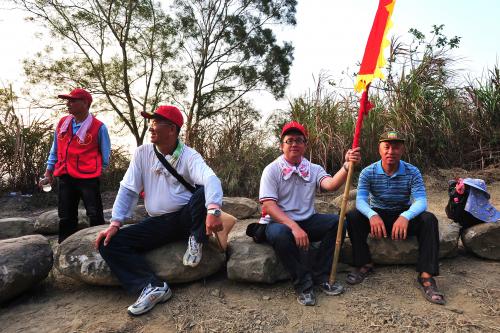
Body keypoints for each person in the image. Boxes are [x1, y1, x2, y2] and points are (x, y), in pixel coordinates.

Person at [95, 105, 235, 316]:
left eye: (155, 122)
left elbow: (211, 179)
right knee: (109, 244)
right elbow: (128, 189)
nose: (151, 127)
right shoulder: (142, 153)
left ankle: (196, 238)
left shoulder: (189, 155)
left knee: (203, 190)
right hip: (160, 223)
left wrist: (213, 210)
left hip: (187, 218)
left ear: (171, 129)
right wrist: (115, 223)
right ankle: (152, 286)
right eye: (150, 122)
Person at [259, 121, 361, 306]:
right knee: (280, 235)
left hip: (307, 219)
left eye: (299, 140)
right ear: (282, 145)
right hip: (279, 222)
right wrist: (294, 227)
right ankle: (303, 285)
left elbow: (330, 185)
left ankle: (321, 274)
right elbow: (268, 206)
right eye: (289, 140)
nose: (294, 144)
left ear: (305, 145)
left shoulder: (313, 169)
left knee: (337, 223)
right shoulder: (272, 170)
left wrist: (347, 166)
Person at [346, 131, 445, 305]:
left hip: (402, 213)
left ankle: (426, 276)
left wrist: (406, 216)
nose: (391, 151)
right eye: (387, 147)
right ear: (380, 149)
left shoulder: (412, 171)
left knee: (429, 220)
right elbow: (361, 200)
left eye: (396, 147)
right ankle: (364, 263)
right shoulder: (368, 172)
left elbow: (421, 201)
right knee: (353, 216)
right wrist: (372, 214)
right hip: (379, 214)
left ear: (402, 150)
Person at [39, 88, 111, 243]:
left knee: (95, 214)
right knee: (65, 216)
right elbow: (55, 150)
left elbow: (105, 156)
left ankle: (101, 247)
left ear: (85, 103)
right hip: (65, 175)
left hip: (88, 178)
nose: (68, 104)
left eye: (72, 101)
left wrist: (98, 172)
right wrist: (48, 173)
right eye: (67, 100)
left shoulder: (99, 127)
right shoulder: (62, 123)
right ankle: (64, 248)